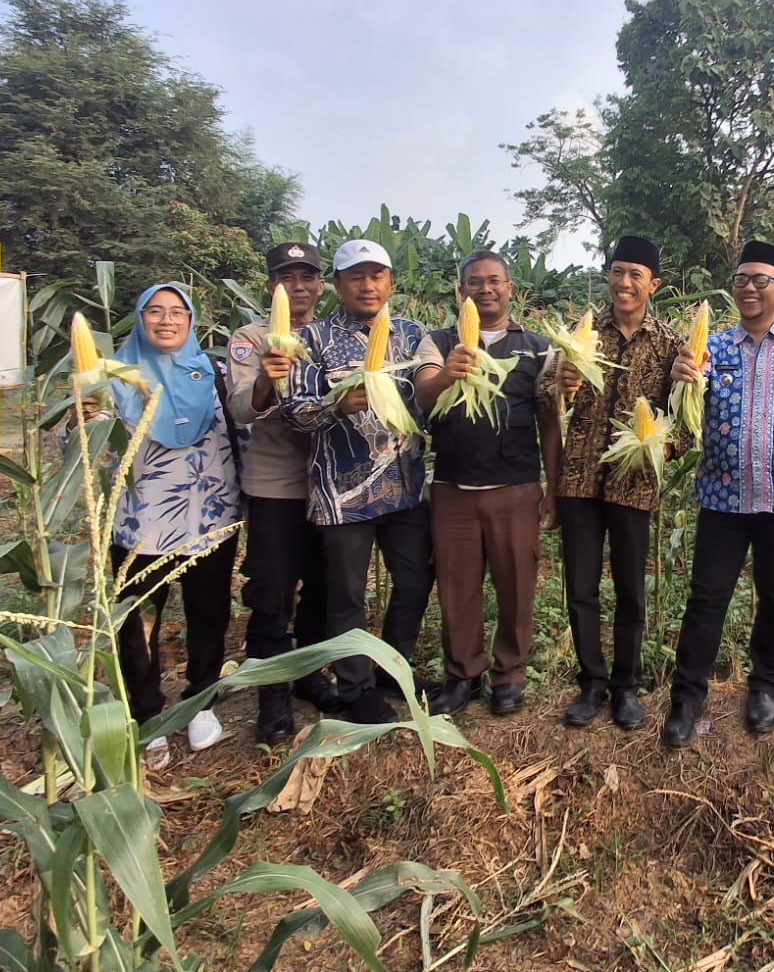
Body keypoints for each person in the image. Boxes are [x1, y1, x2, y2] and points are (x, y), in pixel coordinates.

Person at [661, 241, 774, 748]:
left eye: (761, 280)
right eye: (741, 279)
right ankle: (687, 696)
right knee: (707, 599)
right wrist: (680, 382)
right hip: (722, 499)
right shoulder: (712, 350)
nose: (749, 288)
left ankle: (765, 688)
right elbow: (684, 415)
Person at [82, 284, 241, 770]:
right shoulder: (111, 378)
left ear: (191, 321)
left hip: (210, 515)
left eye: (177, 312)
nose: (167, 320)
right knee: (138, 621)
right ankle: (146, 712)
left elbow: (244, 430)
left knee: (209, 613)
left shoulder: (214, 372)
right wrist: (80, 418)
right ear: (140, 319)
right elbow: (86, 445)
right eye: (155, 311)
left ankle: (201, 701)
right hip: (139, 522)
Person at [283, 239, 441, 725]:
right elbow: (293, 412)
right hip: (342, 494)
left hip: (405, 488)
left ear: (390, 282)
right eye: (356, 276)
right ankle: (356, 688)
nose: (367, 286)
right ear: (337, 284)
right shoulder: (312, 339)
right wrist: (335, 405)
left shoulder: (412, 335)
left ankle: (392, 668)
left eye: (376, 276)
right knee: (347, 595)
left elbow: (429, 401)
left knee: (415, 579)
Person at [538, 236, 681, 731]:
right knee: (580, 589)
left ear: (653, 284)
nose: (624, 282)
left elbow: (684, 417)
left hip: (633, 484)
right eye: (617, 272)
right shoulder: (581, 336)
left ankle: (625, 687)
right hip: (578, 481)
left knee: (630, 591)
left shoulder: (669, 344)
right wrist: (561, 386)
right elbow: (544, 400)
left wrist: (663, 448)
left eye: (635, 275)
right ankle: (591, 683)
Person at [413, 251, 560, 717]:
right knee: (457, 589)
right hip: (453, 489)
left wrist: (553, 489)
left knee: (517, 587)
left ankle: (510, 675)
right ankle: (462, 675)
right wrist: (448, 373)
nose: (485, 289)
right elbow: (422, 394)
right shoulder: (437, 343)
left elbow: (549, 421)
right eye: (474, 282)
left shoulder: (537, 347)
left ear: (510, 289)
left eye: (494, 281)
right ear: (461, 291)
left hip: (516, 487)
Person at [225, 242, 338, 743]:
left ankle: (308, 676)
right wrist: (267, 382)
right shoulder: (250, 338)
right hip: (275, 485)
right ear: (271, 285)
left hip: (329, 483)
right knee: (272, 592)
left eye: (307, 277)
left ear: (320, 285)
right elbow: (240, 409)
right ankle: (272, 696)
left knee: (322, 588)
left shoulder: (329, 337)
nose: (298, 286)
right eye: (287, 277)